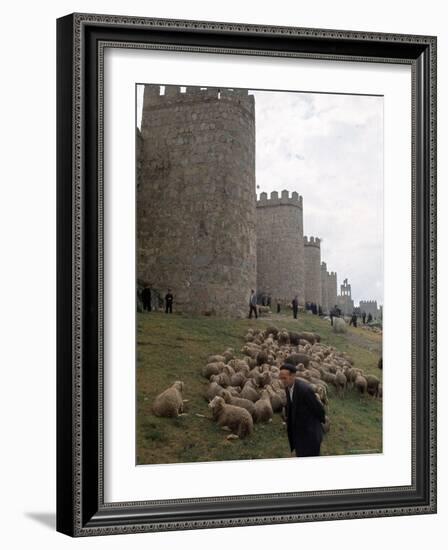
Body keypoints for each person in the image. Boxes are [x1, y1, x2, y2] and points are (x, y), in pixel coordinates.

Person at [279, 363, 326, 457]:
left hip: (310, 435)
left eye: (284, 378)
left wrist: (315, 426)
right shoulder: (288, 388)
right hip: (299, 433)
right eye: (281, 378)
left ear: (293, 376)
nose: (282, 381)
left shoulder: (305, 390)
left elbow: (319, 410)